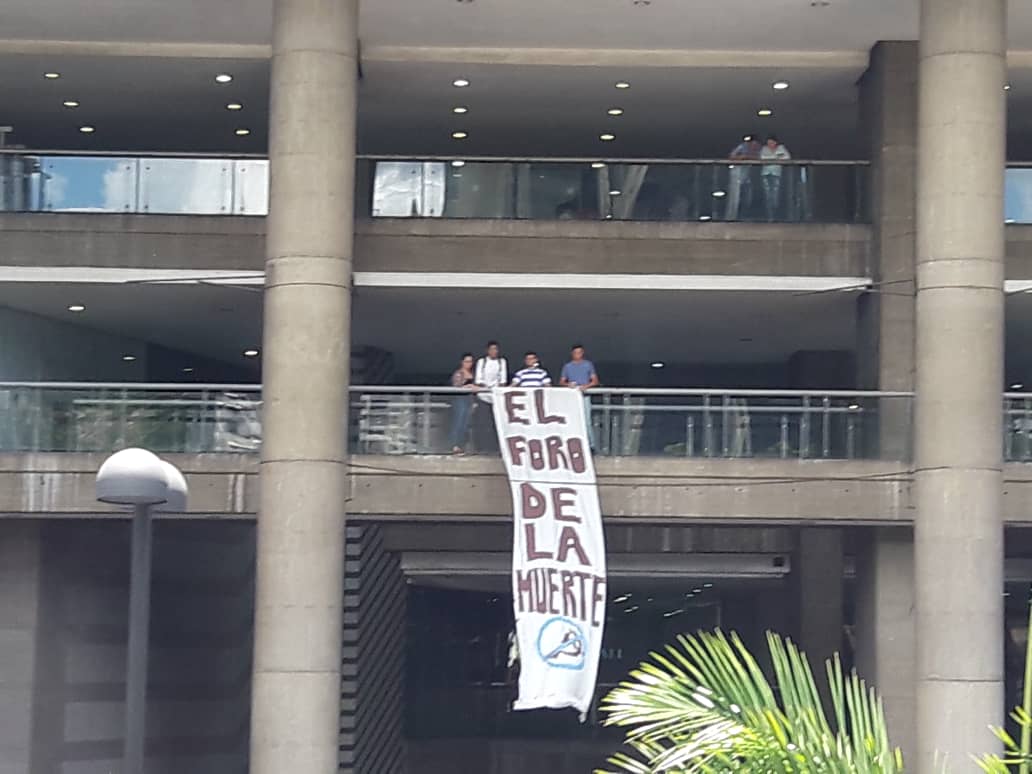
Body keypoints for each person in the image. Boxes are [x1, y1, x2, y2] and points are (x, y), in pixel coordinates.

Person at [559, 344, 600, 451]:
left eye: (580, 352)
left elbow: (595, 381)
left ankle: (591, 446)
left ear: (582, 353)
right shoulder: (567, 366)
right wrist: (569, 385)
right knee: (571, 421)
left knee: (586, 421)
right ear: (572, 354)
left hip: (584, 396)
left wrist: (586, 386)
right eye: (576, 353)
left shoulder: (588, 365)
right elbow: (562, 381)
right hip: (571, 397)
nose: (578, 355)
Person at [473, 341, 508, 453]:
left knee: (496, 424)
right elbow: (479, 380)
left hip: (496, 398)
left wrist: (496, 389)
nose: (494, 351)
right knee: (482, 423)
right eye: (492, 349)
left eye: (496, 349)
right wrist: (487, 387)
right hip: (483, 397)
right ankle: (482, 448)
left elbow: (503, 380)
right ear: (488, 351)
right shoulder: (481, 362)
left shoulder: (501, 362)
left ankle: (496, 449)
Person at [447, 353, 478, 454]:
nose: (469, 364)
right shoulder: (459, 373)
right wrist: (467, 386)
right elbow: (455, 386)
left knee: (466, 423)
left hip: (469, 399)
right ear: (462, 362)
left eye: (470, 362)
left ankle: (461, 444)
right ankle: (454, 444)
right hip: (459, 399)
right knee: (458, 421)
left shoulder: (473, 374)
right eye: (467, 361)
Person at [725, 134, 761, 221]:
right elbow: (731, 157)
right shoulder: (742, 147)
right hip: (737, 173)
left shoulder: (757, 149)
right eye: (751, 143)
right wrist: (742, 157)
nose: (753, 145)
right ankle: (731, 218)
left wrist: (748, 157)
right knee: (734, 197)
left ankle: (743, 216)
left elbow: (758, 158)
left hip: (747, 176)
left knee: (747, 197)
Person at [760, 135, 791, 221]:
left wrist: (772, 159)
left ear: (775, 142)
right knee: (767, 195)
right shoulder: (764, 149)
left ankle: (777, 215)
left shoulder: (781, 148)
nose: (769, 144)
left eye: (771, 142)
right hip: (766, 174)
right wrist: (777, 158)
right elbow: (763, 158)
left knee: (776, 194)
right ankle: (769, 216)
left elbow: (787, 157)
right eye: (768, 142)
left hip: (776, 174)